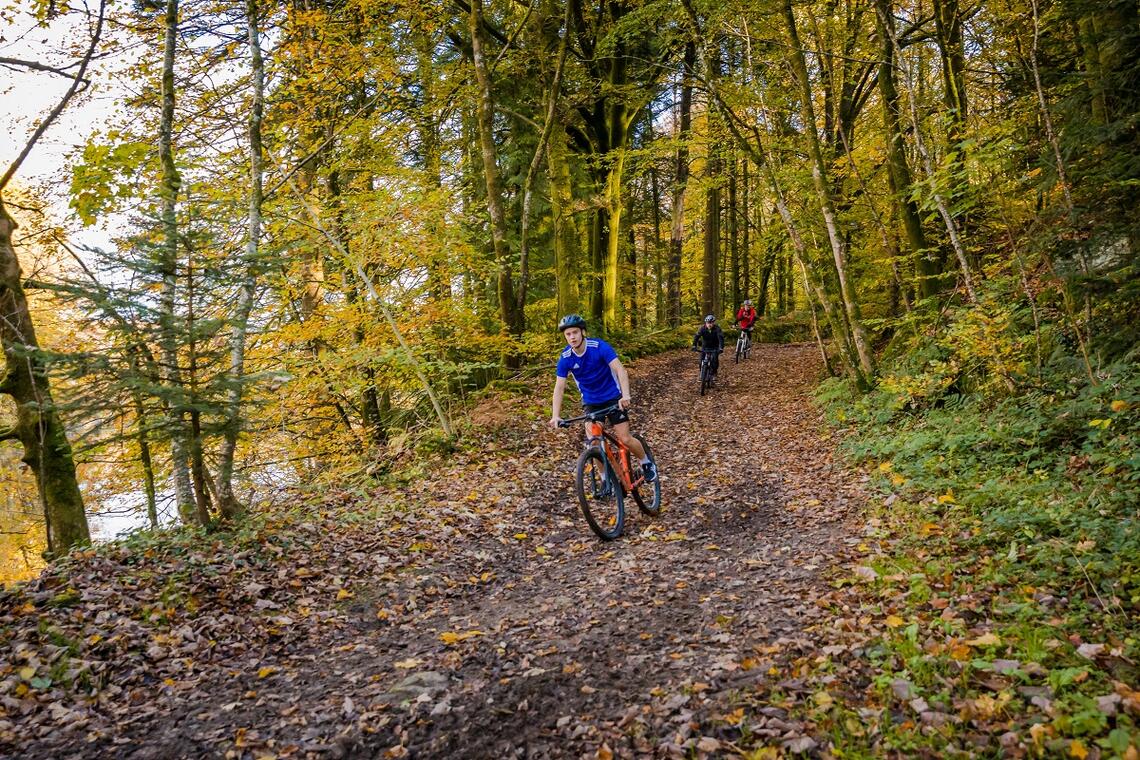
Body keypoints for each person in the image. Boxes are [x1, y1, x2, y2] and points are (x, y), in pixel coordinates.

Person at [549, 314, 656, 482]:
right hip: (591, 402)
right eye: (568, 334)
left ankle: (646, 462)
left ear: (582, 332)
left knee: (625, 438)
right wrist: (555, 415)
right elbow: (559, 387)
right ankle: (606, 479)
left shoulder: (599, 347)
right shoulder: (566, 357)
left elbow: (620, 370)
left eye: (575, 332)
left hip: (613, 397)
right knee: (594, 444)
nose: (572, 337)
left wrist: (625, 394)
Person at [692, 314, 724, 379]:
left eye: (711, 323)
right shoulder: (702, 328)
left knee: (715, 360)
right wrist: (694, 345)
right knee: (701, 361)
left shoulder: (717, 329)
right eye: (708, 323)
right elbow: (696, 336)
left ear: (713, 323)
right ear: (705, 323)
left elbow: (720, 338)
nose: (709, 324)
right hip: (705, 347)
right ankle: (702, 374)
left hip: (715, 347)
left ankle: (714, 373)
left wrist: (721, 347)